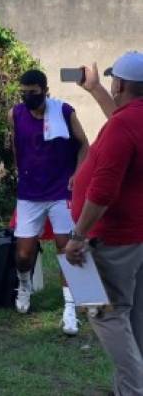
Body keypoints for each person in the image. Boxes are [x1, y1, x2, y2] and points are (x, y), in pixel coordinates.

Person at [67, 53, 143, 395]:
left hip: (108, 239)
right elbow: (123, 125)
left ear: (122, 84)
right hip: (135, 238)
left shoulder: (124, 125)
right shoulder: (132, 120)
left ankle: (132, 388)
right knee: (133, 317)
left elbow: (103, 189)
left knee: (104, 313)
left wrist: (77, 235)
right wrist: (96, 90)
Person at [9, 69, 89, 335]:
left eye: (32, 92)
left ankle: (70, 308)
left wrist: (78, 174)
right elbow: (16, 147)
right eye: (23, 92)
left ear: (44, 90)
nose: (27, 97)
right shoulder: (16, 114)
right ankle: (23, 284)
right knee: (23, 253)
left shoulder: (65, 112)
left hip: (61, 191)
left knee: (66, 248)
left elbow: (84, 145)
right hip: (29, 192)